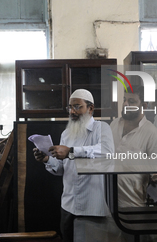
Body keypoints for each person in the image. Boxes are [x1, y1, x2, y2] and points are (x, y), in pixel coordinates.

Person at [33, 89, 114, 242]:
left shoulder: (101, 128)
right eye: (70, 107)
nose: (72, 111)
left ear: (90, 108)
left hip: (92, 206)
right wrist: (46, 159)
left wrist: (71, 151)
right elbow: (61, 168)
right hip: (68, 205)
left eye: (77, 107)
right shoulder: (67, 134)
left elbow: (107, 152)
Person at [110, 86, 157, 208]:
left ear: (144, 106)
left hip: (133, 205)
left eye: (131, 101)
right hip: (107, 203)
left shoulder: (152, 133)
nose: (125, 104)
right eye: (124, 99)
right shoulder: (114, 124)